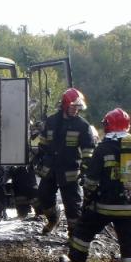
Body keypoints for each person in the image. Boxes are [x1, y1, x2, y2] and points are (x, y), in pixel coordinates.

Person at [58, 107, 131, 262]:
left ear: (108, 126)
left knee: (84, 229)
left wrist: (88, 200)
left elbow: (91, 181)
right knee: (130, 243)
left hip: (105, 205)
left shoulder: (103, 149)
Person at [31, 87, 98, 235]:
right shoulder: (51, 121)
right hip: (50, 169)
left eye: (78, 108)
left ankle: (74, 235)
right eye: (73, 107)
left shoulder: (82, 125)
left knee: (73, 205)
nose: (75, 110)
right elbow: (43, 144)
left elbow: (88, 150)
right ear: (65, 105)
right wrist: (38, 159)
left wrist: (86, 168)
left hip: (70, 171)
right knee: (44, 196)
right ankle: (53, 219)